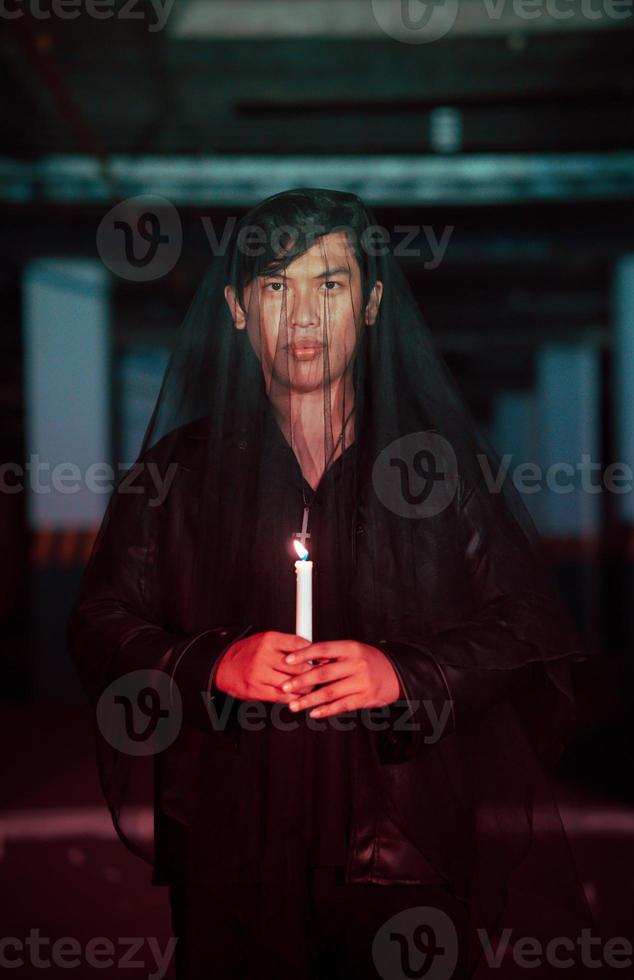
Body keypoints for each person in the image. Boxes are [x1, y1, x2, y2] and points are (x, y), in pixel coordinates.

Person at [68, 188, 593, 978]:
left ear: (372, 303)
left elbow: (529, 628)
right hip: (231, 851)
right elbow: (98, 623)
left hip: (402, 847)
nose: (304, 315)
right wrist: (213, 663)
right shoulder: (177, 472)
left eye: (331, 284)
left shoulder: (432, 469)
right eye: (276, 285)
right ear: (239, 310)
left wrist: (402, 673)